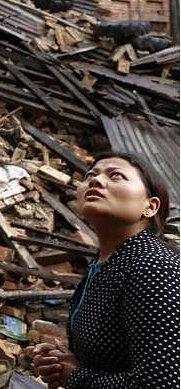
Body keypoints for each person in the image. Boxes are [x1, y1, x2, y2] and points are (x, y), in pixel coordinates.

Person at [32, 151, 180, 389]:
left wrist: (76, 377)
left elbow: (162, 383)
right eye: (90, 175)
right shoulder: (107, 261)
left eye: (117, 175)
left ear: (150, 207)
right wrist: (62, 359)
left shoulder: (153, 267)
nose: (95, 181)